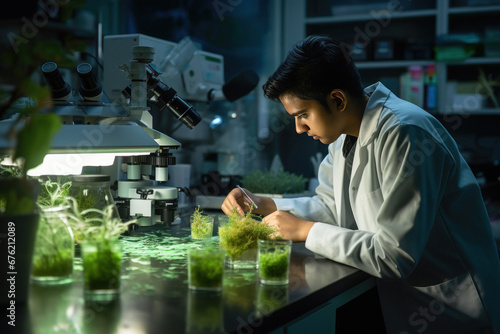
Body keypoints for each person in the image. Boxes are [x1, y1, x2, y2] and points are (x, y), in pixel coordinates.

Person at [221, 35, 500, 334]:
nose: (299, 128)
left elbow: (395, 256)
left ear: (337, 100)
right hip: (405, 301)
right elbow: (332, 205)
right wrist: (268, 204)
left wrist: (305, 230)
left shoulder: (405, 133)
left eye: (303, 115)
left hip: (455, 309)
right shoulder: (344, 134)